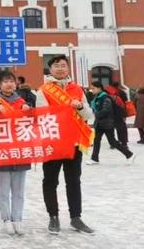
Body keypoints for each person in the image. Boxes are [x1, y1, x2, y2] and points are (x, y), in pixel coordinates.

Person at [36, 54, 94, 235]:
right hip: (53, 143)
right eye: (56, 65)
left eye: (63, 65)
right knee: (50, 181)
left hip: (74, 143)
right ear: (50, 69)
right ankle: (53, 217)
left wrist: (80, 107)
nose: (60, 68)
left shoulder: (77, 89)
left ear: (68, 68)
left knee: (74, 181)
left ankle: (76, 218)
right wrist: (65, 108)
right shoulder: (43, 91)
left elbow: (89, 115)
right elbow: (42, 115)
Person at [0, 70, 34, 235]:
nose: (9, 84)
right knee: (3, 191)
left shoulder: (22, 101)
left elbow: (33, 122)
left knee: (19, 191)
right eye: (5, 81)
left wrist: (29, 110)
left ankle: (17, 219)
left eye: (11, 81)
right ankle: (6, 219)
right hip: (0, 152)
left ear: (16, 84)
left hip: (20, 151)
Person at [86, 81, 135, 165]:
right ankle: (94, 158)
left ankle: (129, 154)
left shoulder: (105, 98)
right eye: (91, 88)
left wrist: (96, 114)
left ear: (99, 88)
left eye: (93, 88)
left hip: (107, 123)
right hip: (100, 123)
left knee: (112, 142)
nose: (92, 90)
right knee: (96, 140)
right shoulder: (97, 97)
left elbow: (106, 110)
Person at [105, 81, 129, 149]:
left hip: (109, 113)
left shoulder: (106, 92)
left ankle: (113, 143)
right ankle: (123, 143)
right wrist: (124, 114)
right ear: (118, 85)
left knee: (110, 129)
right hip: (119, 113)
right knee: (121, 128)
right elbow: (125, 102)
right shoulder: (121, 92)